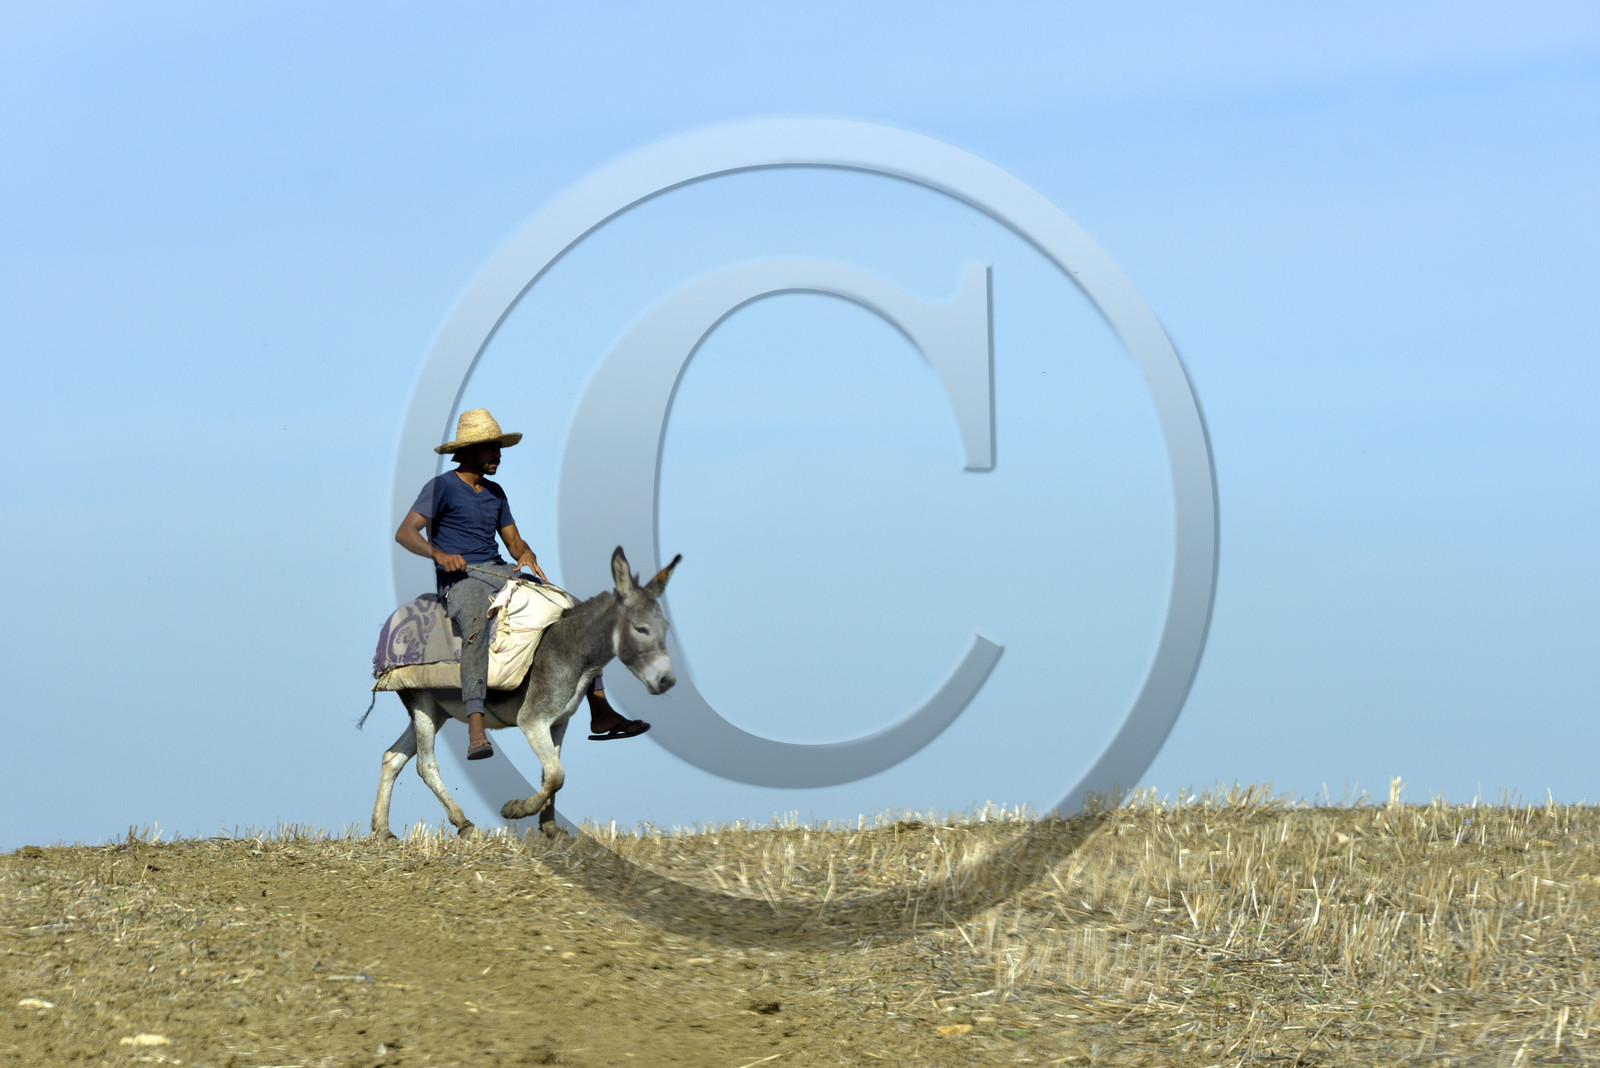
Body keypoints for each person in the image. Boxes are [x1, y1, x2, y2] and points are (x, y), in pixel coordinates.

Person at [394, 408, 650, 760]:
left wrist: (526, 554)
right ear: (469, 450)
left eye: (499, 448)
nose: (498, 454)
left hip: (499, 572)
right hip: (461, 579)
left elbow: (513, 542)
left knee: (577, 613)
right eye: (491, 448)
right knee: (474, 620)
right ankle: (475, 724)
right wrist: (439, 555)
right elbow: (405, 532)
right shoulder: (441, 488)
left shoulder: (496, 493)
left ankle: (600, 710)